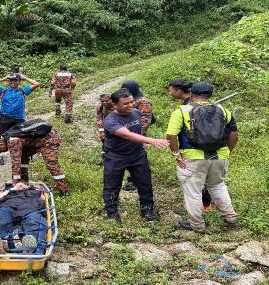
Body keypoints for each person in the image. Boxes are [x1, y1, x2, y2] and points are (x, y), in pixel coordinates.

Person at [165, 82, 239, 233]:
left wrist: (176, 155)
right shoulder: (223, 110)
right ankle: (230, 217)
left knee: (193, 191)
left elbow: (171, 135)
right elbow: (234, 134)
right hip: (220, 156)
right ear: (210, 95)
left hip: (192, 158)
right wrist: (227, 152)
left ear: (191, 94)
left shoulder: (182, 111)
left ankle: (197, 226)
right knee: (218, 186)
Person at [102, 89, 169, 225]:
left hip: (137, 155)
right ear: (115, 105)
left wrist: (143, 143)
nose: (131, 105)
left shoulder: (137, 113)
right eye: (125, 103)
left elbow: (140, 129)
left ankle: (147, 210)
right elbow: (126, 134)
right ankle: (112, 215)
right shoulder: (110, 120)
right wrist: (152, 140)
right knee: (112, 186)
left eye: (132, 101)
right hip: (116, 156)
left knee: (145, 183)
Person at [0, 119, 71, 196]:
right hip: (37, 141)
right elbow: (21, 161)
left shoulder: (12, 141)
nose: (0, 152)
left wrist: (15, 185)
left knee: (51, 164)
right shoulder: (6, 136)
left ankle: (65, 190)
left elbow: (15, 164)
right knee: (23, 159)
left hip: (49, 139)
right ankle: (24, 185)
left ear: (0, 144)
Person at [168, 79, 213, 211]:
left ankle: (202, 208)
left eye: (170, 90)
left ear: (179, 90)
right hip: (209, 150)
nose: (169, 93)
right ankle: (206, 205)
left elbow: (172, 134)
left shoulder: (189, 106)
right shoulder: (203, 104)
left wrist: (177, 154)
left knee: (194, 184)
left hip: (193, 150)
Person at [0, 182, 49, 255]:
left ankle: (28, 248)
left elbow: (43, 199)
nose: (21, 184)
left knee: (32, 222)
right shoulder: (8, 191)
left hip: (30, 208)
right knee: (1, 220)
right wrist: (13, 189)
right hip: (6, 207)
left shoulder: (35, 191)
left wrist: (32, 189)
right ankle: (0, 246)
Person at [120, 80, 155, 192]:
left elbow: (144, 122)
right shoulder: (133, 99)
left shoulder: (143, 103)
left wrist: (137, 135)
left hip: (138, 134)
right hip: (130, 133)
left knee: (139, 157)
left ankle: (137, 180)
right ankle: (134, 178)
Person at [0, 72, 40, 137]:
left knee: (18, 138)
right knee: (3, 138)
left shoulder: (23, 90)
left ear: (19, 81)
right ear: (9, 81)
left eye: (16, 80)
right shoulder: (3, 90)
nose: (13, 82)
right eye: (11, 80)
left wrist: (25, 78)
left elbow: (36, 84)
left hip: (19, 118)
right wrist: (4, 78)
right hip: (5, 118)